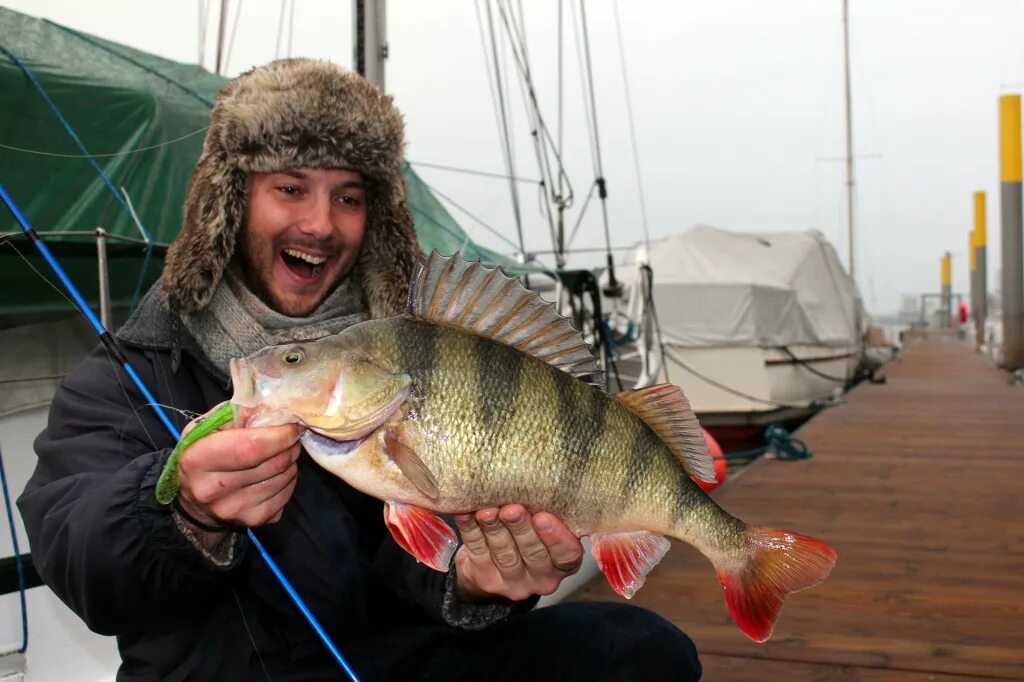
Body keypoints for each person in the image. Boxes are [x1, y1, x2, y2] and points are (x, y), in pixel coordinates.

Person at [18, 59, 701, 681]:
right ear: (228, 206)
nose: (321, 223)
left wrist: (471, 583)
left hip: (399, 660)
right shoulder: (131, 372)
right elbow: (78, 560)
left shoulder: (397, 353)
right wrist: (184, 511)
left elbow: (417, 558)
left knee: (639, 650)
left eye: (349, 197)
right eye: (290, 187)